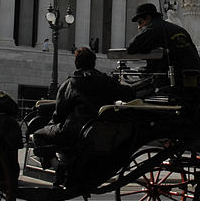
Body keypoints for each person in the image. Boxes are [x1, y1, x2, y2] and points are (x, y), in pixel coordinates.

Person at [35, 47, 131, 185]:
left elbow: (60, 113)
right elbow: (127, 93)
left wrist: (52, 124)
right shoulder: (106, 81)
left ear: (77, 63)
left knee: (39, 135)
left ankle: (57, 165)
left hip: (74, 130)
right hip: (100, 129)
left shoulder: (71, 83)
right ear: (94, 62)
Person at [126, 2, 200, 141]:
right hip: (195, 80)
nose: (140, 27)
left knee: (132, 93)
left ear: (148, 18)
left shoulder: (153, 28)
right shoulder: (178, 29)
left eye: (140, 22)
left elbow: (131, 47)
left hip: (173, 82)